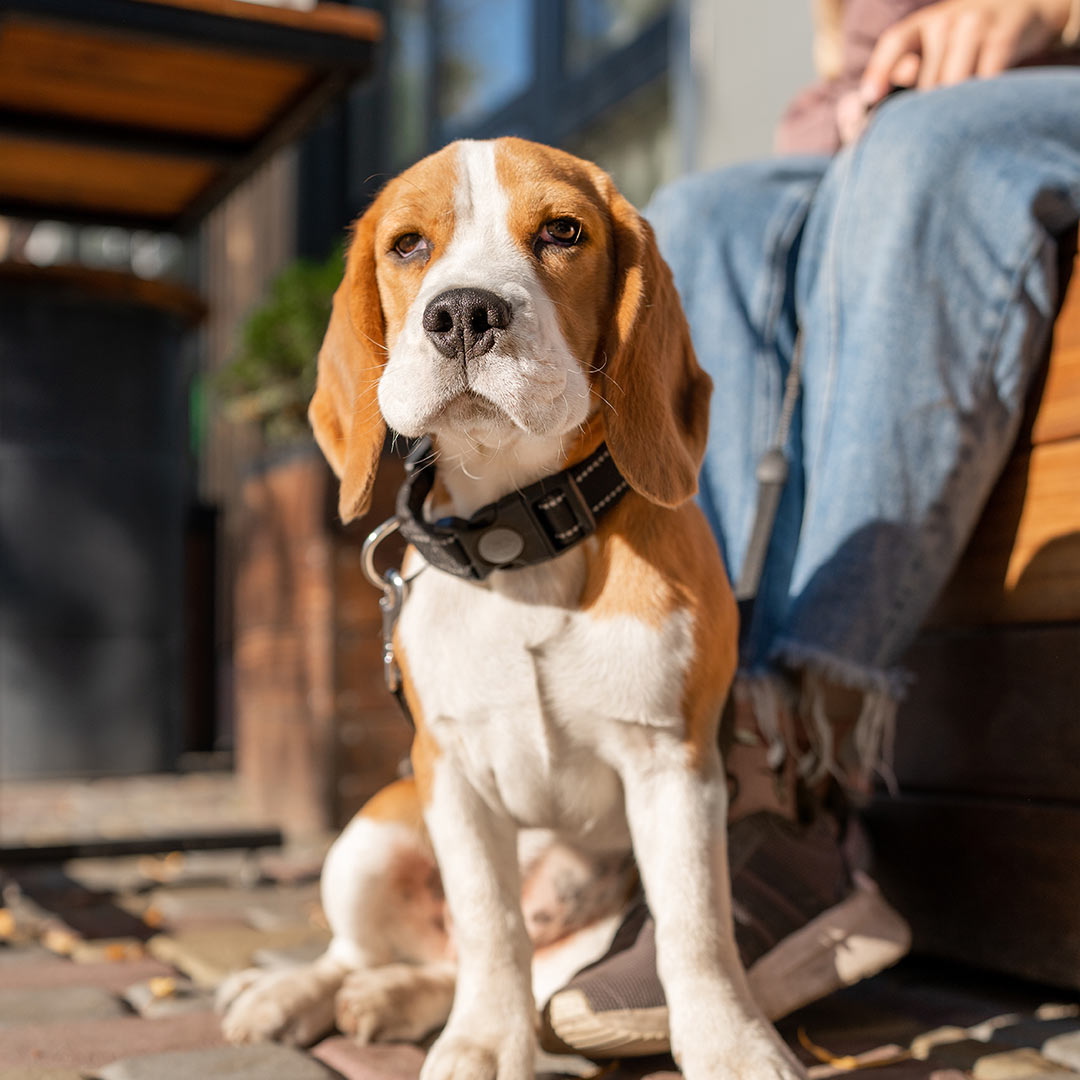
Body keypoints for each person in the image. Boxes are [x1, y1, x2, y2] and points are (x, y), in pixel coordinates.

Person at [539, 0, 1080, 1057]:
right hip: (867, 137)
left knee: (930, 155)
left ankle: (800, 776)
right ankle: (737, 747)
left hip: (983, 118)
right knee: (698, 219)